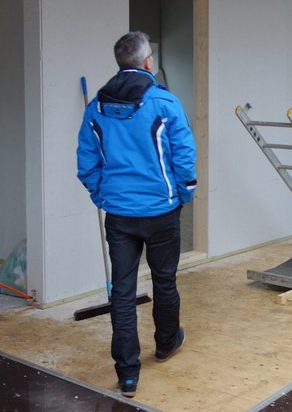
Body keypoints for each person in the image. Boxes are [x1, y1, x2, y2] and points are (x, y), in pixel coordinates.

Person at [76, 30, 197, 398]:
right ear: (148, 62)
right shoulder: (165, 102)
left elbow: (86, 161)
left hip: (119, 214)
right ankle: (166, 343)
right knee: (164, 281)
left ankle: (128, 374)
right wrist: (182, 195)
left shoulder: (96, 106)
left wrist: (101, 194)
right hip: (162, 211)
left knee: (123, 292)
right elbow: (184, 156)